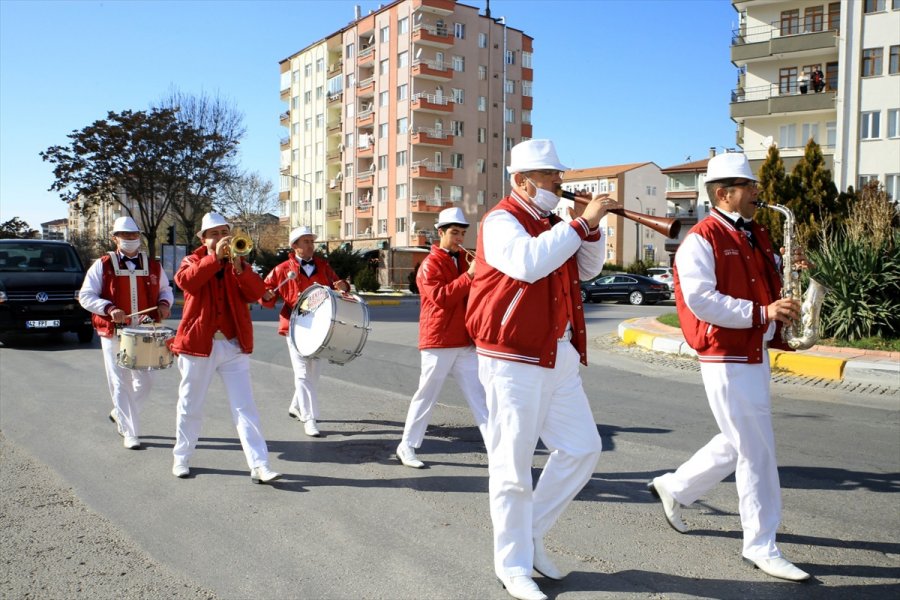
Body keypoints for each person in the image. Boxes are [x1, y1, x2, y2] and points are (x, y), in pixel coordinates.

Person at [647, 152, 811, 582]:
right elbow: (702, 301)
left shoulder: (755, 233)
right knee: (757, 450)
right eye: (749, 186)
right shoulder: (700, 239)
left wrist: (787, 273)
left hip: (753, 350)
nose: (757, 192)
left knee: (740, 441)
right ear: (724, 194)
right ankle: (761, 545)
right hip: (725, 355)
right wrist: (763, 313)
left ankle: (676, 487)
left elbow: (763, 285)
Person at [466, 139, 613, 600]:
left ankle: (528, 535)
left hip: (557, 351)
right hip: (511, 356)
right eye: (551, 176)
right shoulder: (500, 220)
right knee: (512, 466)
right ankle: (512, 565)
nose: (559, 183)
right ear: (522, 181)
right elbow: (528, 264)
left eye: (558, 176)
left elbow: (588, 270)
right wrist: (579, 224)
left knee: (583, 448)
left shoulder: (554, 223)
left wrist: (592, 228)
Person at [169, 212, 281, 484]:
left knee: (245, 407)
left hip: (232, 345)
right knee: (190, 405)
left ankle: (260, 464)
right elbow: (186, 282)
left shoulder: (238, 263)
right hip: (198, 345)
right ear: (203, 239)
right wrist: (214, 259)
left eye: (224, 233)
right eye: (214, 234)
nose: (221, 238)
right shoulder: (191, 261)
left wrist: (240, 268)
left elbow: (255, 293)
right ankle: (181, 458)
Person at [396, 207, 489, 469]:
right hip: (438, 340)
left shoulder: (463, 259)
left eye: (462, 233)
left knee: (481, 398)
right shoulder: (430, 264)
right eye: (454, 233)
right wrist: (469, 275)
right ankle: (407, 446)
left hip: (464, 341)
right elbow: (442, 298)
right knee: (427, 395)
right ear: (440, 233)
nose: (459, 238)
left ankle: (499, 452)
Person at [79, 216, 174, 450]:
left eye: (134, 235)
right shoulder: (102, 264)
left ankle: (119, 413)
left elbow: (166, 289)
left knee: (146, 381)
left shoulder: (153, 265)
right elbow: (86, 296)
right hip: (113, 332)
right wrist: (109, 308)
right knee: (120, 382)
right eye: (125, 235)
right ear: (115, 239)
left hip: (144, 330)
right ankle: (130, 432)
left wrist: (164, 303)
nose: (130, 239)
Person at [261, 226, 349, 437]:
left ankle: (296, 406)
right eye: (306, 241)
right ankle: (310, 418)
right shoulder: (282, 269)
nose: (311, 245)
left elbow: (340, 287)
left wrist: (343, 286)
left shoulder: (323, 266)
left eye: (312, 241)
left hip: (319, 326)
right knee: (302, 373)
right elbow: (265, 292)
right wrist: (266, 295)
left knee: (313, 374)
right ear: (295, 246)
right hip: (295, 324)